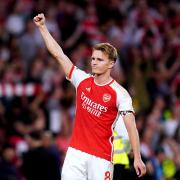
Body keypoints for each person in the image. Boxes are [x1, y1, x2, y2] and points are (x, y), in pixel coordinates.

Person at [33, 13, 146, 180]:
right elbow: (59, 54)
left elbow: (131, 127)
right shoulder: (82, 80)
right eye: (93, 58)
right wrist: (43, 28)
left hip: (101, 158)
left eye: (99, 60)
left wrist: (137, 157)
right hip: (76, 153)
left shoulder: (120, 94)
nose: (93, 62)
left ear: (111, 63)